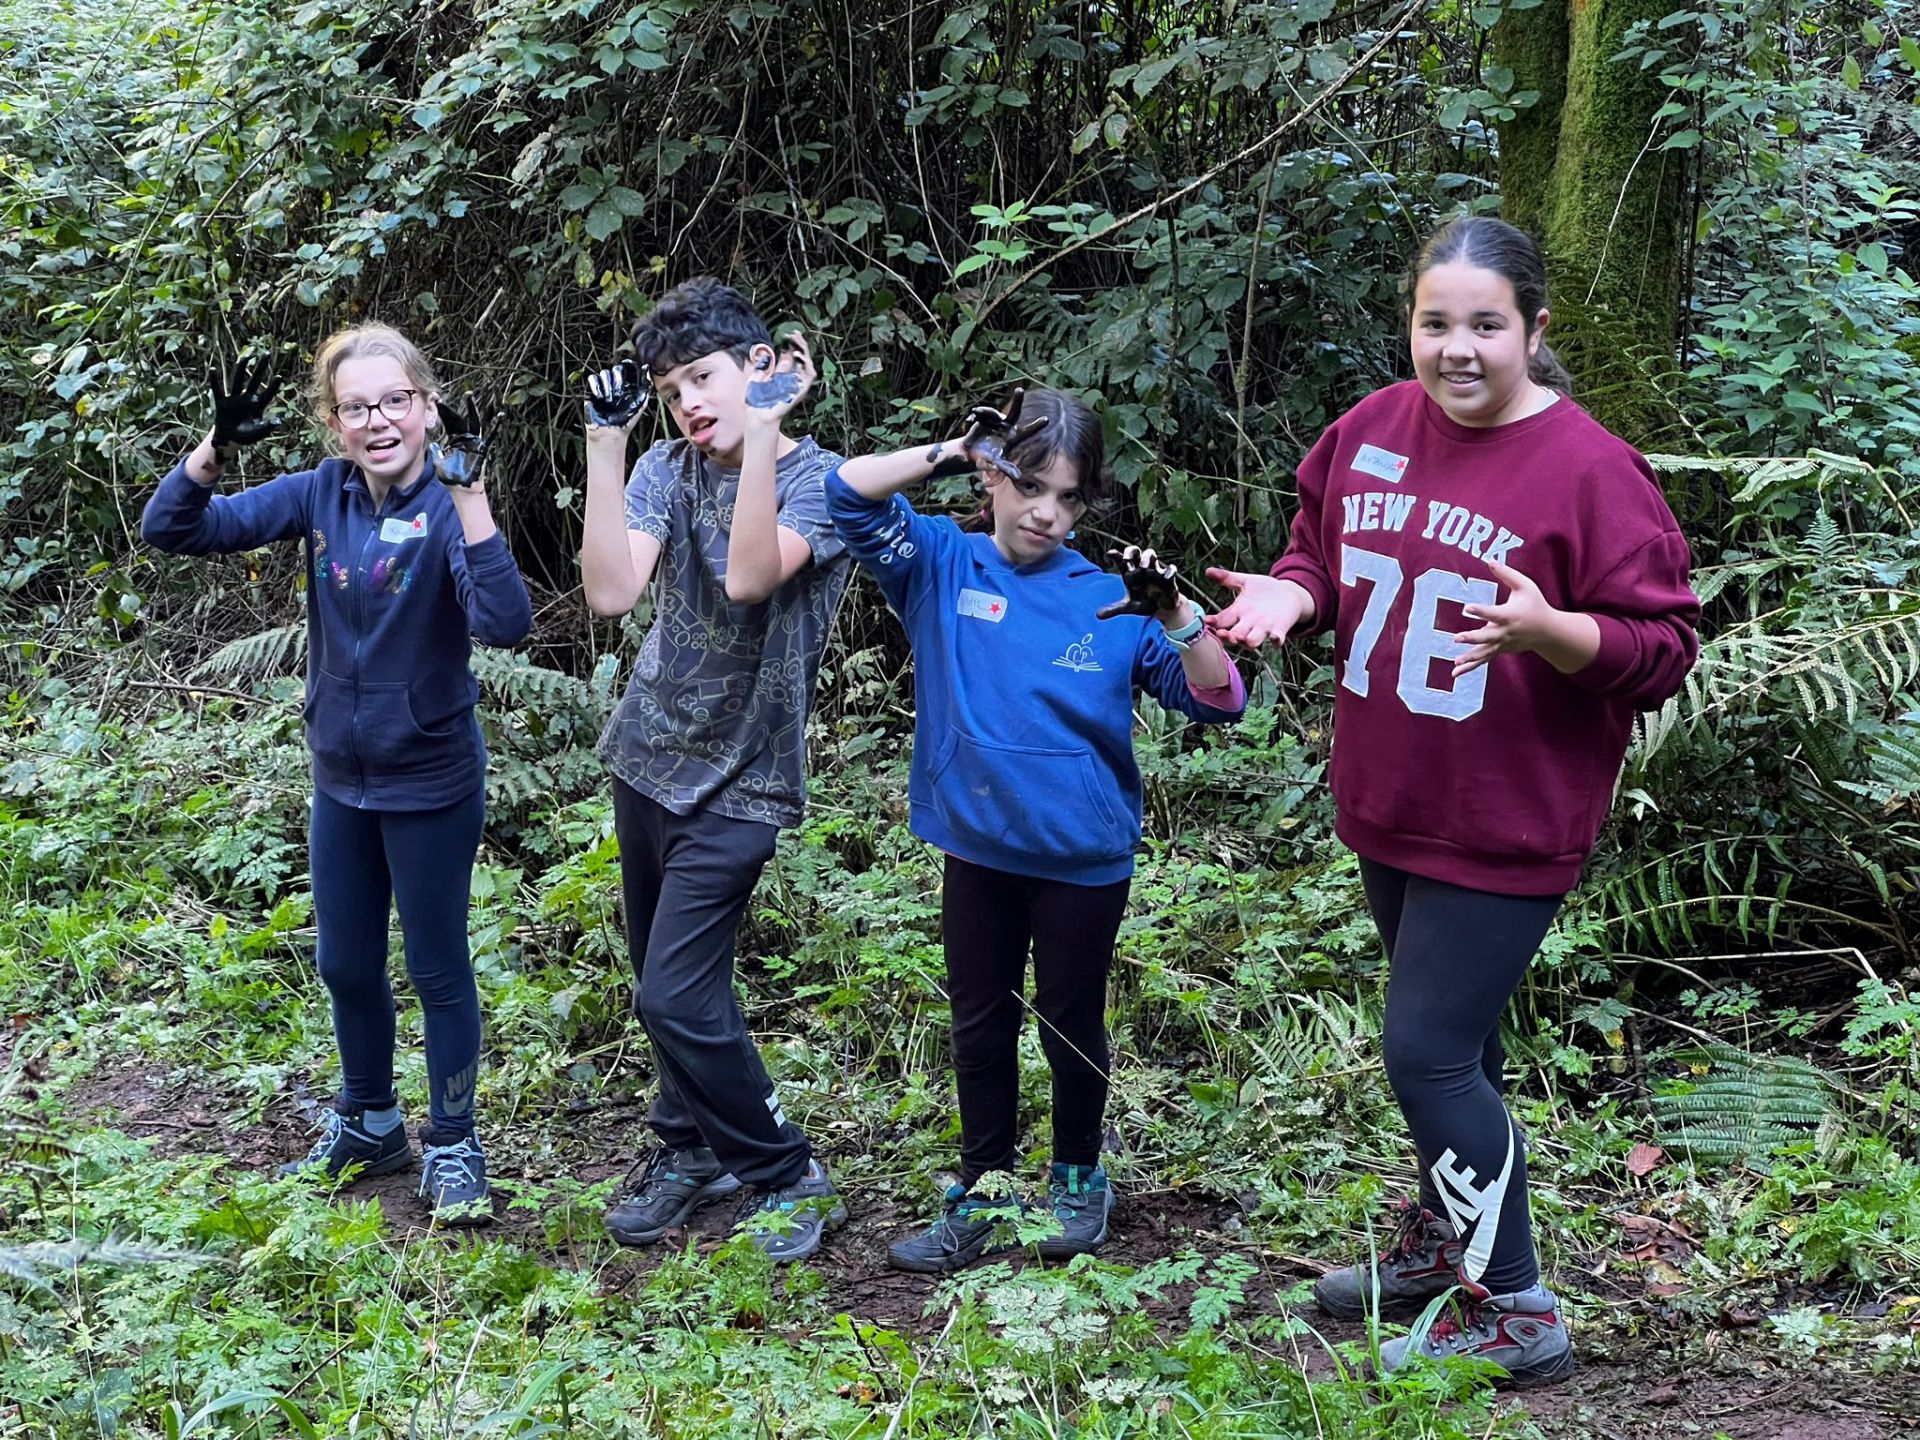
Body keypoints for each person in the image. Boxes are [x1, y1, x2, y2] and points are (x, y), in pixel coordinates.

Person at [1210, 216, 1700, 1387]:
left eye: (1486, 325)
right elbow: (1318, 555)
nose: (1457, 349)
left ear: (1534, 329)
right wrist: (1290, 600)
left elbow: (1665, 646)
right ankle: (1451, 1243)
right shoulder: (1369, 430)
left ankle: (1521, 1306)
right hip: (1391, 798)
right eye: (1436, 324)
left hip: (1510, 816)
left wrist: (1555, 631)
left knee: (1425, 1050)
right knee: (1454, 1046)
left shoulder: (1591, 471)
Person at [824, 386, 1247, 1274]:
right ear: (996, 477)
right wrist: (952, 449)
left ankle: (1080, 1179)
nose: (1047, 512)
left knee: (1069, 1021)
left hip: (1081, 863)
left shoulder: (1110, 599)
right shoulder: (941, 562)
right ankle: (984, 1187)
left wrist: (1174, 612)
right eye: (1029, 485)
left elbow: (1220, 699)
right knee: (978, 1022)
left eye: (1070, 497)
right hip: (977, 850)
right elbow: (846, 492)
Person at [141, 324, 534, 1225]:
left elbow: (506, 624)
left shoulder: (446, 505)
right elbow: (174, 528)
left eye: (396, 401)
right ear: (334, 423)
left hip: (431, 775)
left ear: (427, 406)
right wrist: (214, 451)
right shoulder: (320, 494)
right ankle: (370, 1122)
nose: (379, 420)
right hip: (341, 776)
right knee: (345, 963)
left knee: (437, 968)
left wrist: (471, 497)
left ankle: (456, 1142)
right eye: (356, 407)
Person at [578, 278, 853, 1263]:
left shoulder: (823, 478)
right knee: (670, 978)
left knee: (674, 996)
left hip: (745, 779)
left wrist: (768, 434)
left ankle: (784, 1169)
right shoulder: (660, 464)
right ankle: (688, 1145)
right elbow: (612, 591)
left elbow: (748, 578)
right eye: (670, 387)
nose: (688, 402)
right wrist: (607, 447)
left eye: (704, 377)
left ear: (762, 367)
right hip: (647, 760)